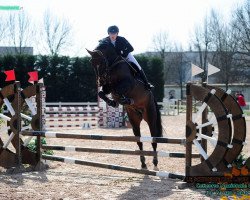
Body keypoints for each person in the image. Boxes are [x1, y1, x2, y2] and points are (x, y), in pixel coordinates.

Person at [99, 25, 153, 90]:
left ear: (117, 33)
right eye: (111, 33)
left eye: (114, 33)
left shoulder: (122, 39)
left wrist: (123, 53)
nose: (113, 35)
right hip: (112, 59)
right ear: (108, 34)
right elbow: (98, 48)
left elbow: (131, 48)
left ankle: (146, 83)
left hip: (125, 55)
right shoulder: (105, 40)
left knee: (138, 66)